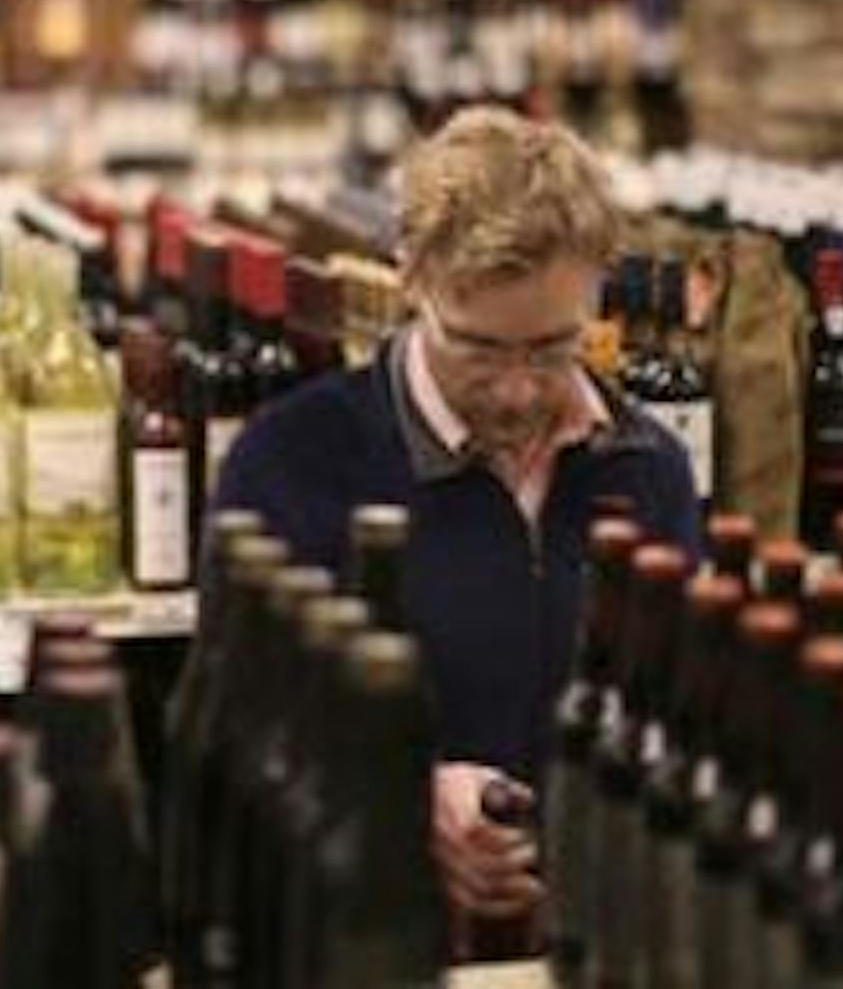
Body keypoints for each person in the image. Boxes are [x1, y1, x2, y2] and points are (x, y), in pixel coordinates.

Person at [212, 104, 700, 928]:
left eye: (552, 347)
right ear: (410, 279)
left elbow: (679, 721)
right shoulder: (291, 461)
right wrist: (400, 794)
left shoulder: (650, 469)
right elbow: (238, 725)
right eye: (478, 349)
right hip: (371, 941)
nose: (517, 391)